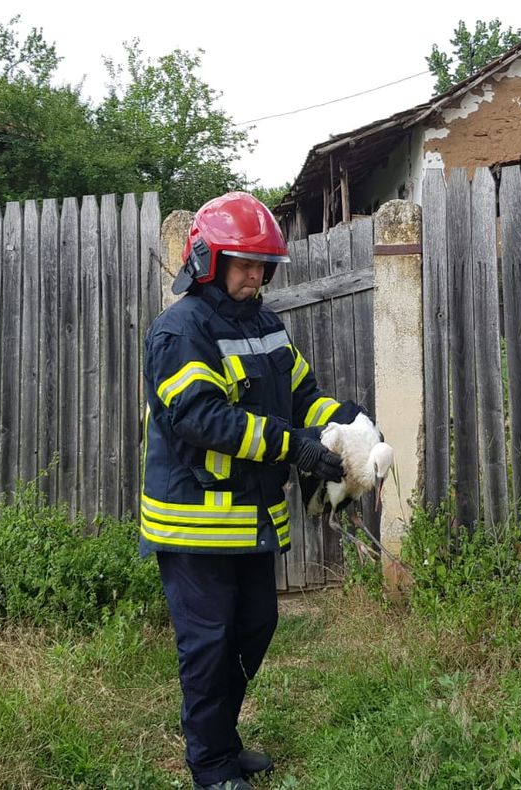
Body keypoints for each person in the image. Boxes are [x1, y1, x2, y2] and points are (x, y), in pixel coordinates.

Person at [140, 192, 363, 790]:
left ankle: (222, 739)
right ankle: (209, 765)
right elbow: (204, 419)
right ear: (207, 259)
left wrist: (342, 426)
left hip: (251, 521)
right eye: (244, 263)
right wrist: (297, 446)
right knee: (208, 646)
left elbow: (301, 397)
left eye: (263, 265)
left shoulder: (267, 325)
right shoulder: (179, 331)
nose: (256, 275)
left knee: (255, 627)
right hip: (193, 523)